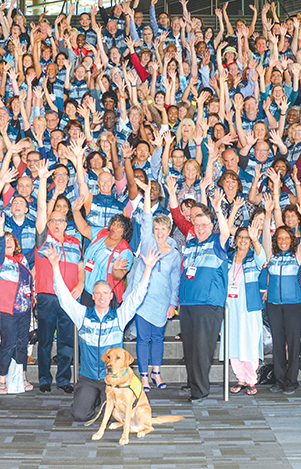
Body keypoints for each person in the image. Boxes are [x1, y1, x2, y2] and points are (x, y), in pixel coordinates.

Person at [45, 243, 161, 422]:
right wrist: (54, 265)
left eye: (105, 293)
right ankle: (95, 399)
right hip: (89, 378)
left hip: (116, 378)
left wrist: (148, 269)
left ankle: (106, 401)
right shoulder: (82, 314)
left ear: (111, 296)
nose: (101, 297)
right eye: (98, 293)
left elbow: (137, 296)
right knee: (80, 415)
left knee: (122, 418)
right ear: (92, 296)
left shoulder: (119, 316)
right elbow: (64, 297)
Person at [34, 161, 85, 394]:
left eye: (60, 221)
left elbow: (82, 266)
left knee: (65, 342)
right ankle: (44, 378)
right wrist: (45, 181)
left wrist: (81, 284)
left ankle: (64, 380)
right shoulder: (43, 240)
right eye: (52, 221)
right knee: (45, 341)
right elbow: (42, 212)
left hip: (69, 298)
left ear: (66, 223)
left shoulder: (75, 242)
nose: (56, 224)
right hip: (47, 296)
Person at [127, 180, 181, 392]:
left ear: (169, 230)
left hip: (162, 301)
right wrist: (148, 193)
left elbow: (175, 281)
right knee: (143, 338)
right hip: (143, 298)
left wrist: (171, 304)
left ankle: (156, 373)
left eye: (163, 228)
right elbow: (146, 219)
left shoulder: (175, 254)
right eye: (157, 229)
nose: (159, 232)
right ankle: (143, 376)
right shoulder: (148, 242)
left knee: (158, 337)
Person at [179, 193, 231, 404]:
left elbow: (226, 233)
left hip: (208, 304)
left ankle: (200, 391)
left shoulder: (217, 242)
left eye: (204, 225)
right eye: (197, 224)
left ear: (212, 226)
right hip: (188, 303)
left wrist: (218, 209)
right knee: (190, 348)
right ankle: (194, 384)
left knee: (202, 349)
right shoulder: (190, 244)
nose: (200, 228)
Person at [262, 195, 301, 395]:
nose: (283, 241)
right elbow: (267, 237)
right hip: (274, 304)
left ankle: (292, 380)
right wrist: (267, 215)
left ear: (291, 240)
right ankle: (279, 379)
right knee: (278, 342)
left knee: (293, 342)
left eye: (286, 238)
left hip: (294, 305)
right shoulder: (271, 255)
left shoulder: (297, 255)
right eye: (280, 238)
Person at [0, 212, 34, 394]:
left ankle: (21, 377)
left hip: (24, 309)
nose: (9, 242)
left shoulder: (22, 260)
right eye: (5, 241)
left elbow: (38, 249)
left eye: (11, 240)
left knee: (22, 343)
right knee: (8, 343)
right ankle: (2, 379)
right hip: (6, 310)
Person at [223, 210, 266, 396]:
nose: (242, 240)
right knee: (233, 341)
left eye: (246, 238)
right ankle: (240, 377)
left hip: (249, 306)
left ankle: (251, 379)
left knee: (249, 341)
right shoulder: (227, 257)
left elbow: (263, 259)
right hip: (230, 307)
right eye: (240, 236)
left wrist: (256, 240)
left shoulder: (253, 257)